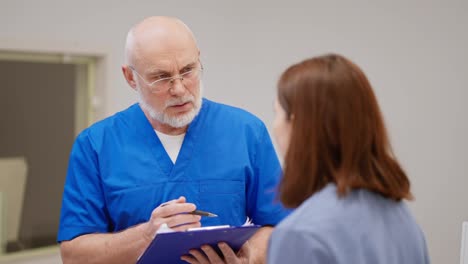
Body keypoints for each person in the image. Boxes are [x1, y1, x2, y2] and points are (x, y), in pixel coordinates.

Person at [58, 16, 289, 264]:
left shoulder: (246, 132)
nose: (179, 89)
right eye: (161, 77)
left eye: (188, 70)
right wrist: (145, 236)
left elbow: (279, 229)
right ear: (130, 77)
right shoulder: (96, 145)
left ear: (199, 59)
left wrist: (247, 258)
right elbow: (74, 255)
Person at [267, 54, 430, 263]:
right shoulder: (404, 221)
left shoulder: (299, 235)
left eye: (276, 112)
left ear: (299, 125)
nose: (275, 126)